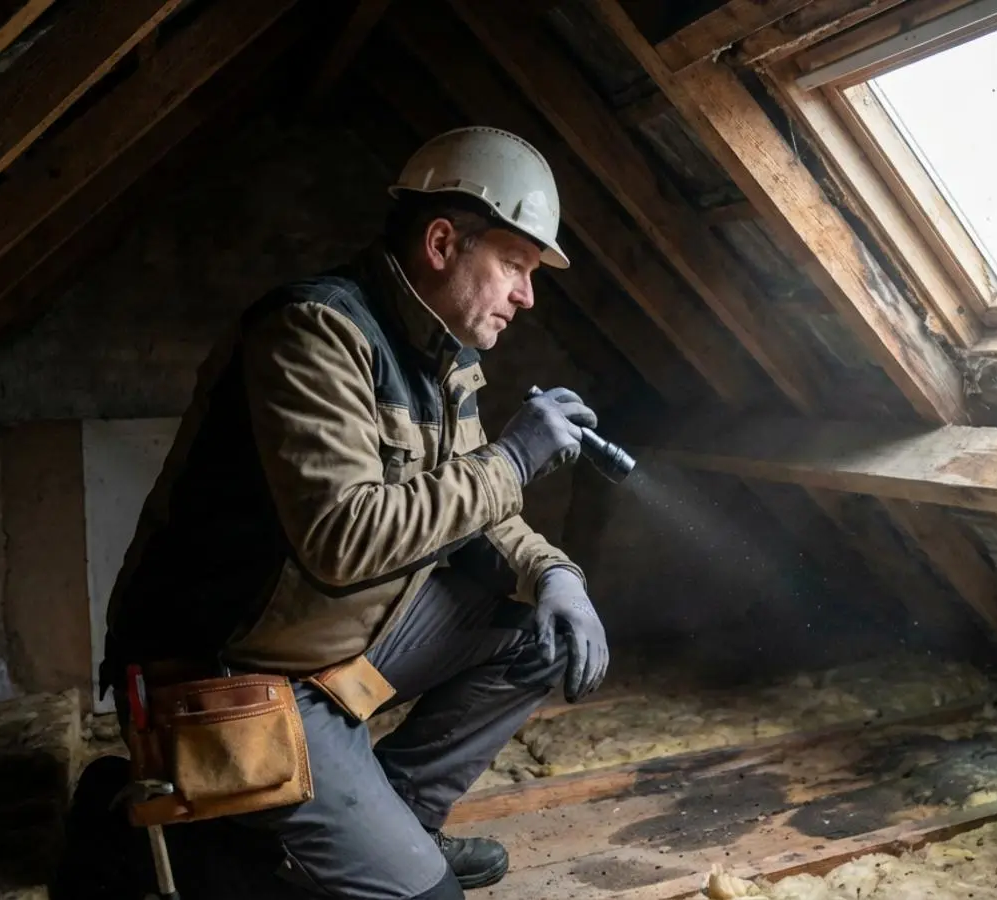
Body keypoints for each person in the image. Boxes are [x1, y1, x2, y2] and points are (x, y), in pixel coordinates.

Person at [84, 126, 611, 899]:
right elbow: (342, 540)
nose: (527, 296)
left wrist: (558, 575)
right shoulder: (313, 332)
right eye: (515, 266)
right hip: (238, 670)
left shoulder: (446, 358)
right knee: (431, 899)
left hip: (337, 633)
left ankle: (400, 821)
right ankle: (271, 843)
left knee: (542, 631)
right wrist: (516, 457)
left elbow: (480, 511)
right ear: (441, 243)